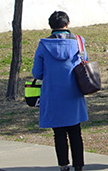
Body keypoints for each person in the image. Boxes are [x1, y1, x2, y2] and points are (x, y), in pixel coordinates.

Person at [32, 10, 89, 171]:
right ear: (68, 24)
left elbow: (37, 73)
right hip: (74, 93)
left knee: (59, 133)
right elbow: (85, 62)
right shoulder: (78, 41)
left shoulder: (43, 44)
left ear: (51, 26)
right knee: (75, 132)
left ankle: (63, 165)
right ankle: (79, 165)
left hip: (52, 94)